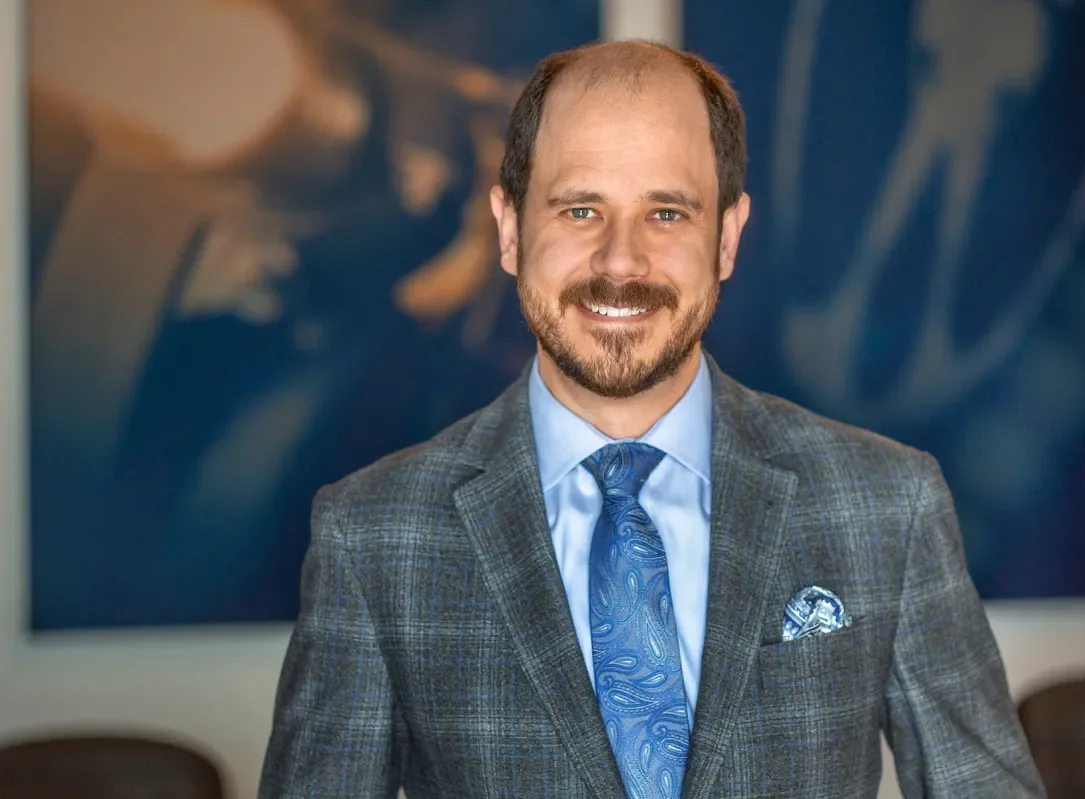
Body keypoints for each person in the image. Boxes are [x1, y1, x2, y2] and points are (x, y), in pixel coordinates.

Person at [258, 39, 1045, 799]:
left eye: (666, 213)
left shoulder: (887, 504)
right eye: (580, 210)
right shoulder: (373, 534)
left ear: (727, 238)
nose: (621, 261)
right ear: (510, 229)